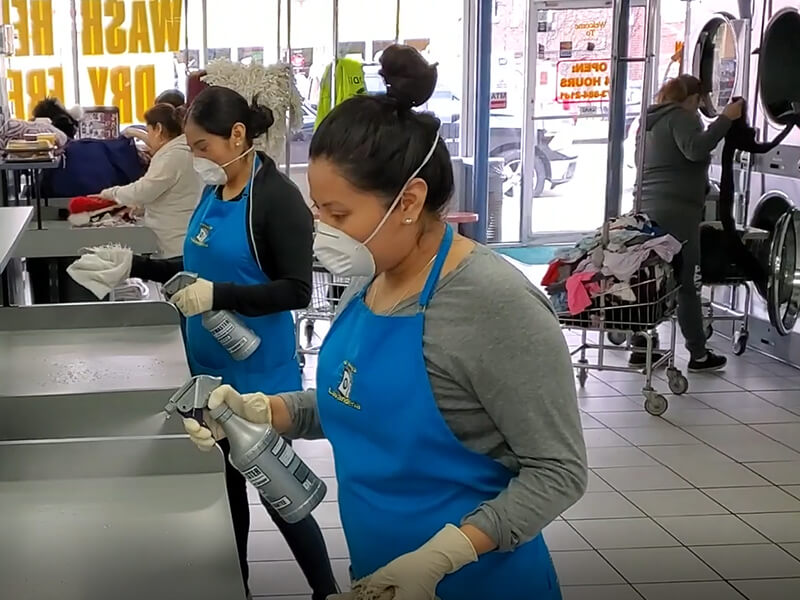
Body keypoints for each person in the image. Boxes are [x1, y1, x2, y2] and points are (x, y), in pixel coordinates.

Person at [184, 45, 587, 600]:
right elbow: (361, 403)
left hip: (478, 583)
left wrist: (447, 554)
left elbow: (558, 471)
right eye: (318, 210)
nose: (320, 229)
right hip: (381, 577)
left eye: (338, 213)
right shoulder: (370, 276)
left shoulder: (493, 306)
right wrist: (265, 410)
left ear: (408, 200)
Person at [121, 87, 338, 599]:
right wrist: (137, 265)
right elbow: (195, 265)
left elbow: (295, 288)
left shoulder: (274, 199)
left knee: (276, 489)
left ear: (237, 135)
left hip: (258, 373)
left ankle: (326, 590)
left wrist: (220, 294)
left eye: (201, 146)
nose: (195, 158)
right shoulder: (214, 190)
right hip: (207, 366)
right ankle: (235, 584)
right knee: (225, 491)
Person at [633, 74, 743, 372]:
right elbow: (695, 149)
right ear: (693, 99)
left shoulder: (650, 121)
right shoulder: (682, 117)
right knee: (687, 282)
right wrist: (726, 120)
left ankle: (640, 344)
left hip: (646, 208)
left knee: (651, 278)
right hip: (678, 214)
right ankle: (698, 353)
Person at [96, 103, 201, 258]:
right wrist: (142, 208)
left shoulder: (172, 157)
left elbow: (144, 190)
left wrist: (110, 194)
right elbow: (169, 192)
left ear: (158, 129)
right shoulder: (180, 151)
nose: (148, 136)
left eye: (149, 130)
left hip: (176, 243)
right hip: (181, 237)